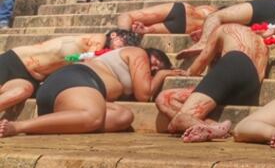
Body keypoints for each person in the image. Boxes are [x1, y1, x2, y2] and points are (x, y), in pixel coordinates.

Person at [0, 46, 174, 138]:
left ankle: (60, 121)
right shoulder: (137, 52)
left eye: (157, 69)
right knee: (93, 117)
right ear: (149, 52)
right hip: (78, 78)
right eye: (155, 61)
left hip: (76, 93)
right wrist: (161, 75)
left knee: (123, 116)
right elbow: (144, 95)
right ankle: (18, 127)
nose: (153, 67)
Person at [155, 24, 268, 141]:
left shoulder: (223, 28)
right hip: (252, 84)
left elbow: (199, 65)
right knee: (164, 98)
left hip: (234, 63)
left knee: (176, 120)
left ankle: (208, 127)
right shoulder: (259, 39)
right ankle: (211, 125)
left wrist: (188, 72)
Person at [0, 30, 142, 112]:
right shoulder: (99, 38)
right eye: (125, 43)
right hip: (16, 61)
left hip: (31, 79)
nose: (124, 49)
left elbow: (75, 60)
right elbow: (88, 59)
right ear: (114, 35)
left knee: (22, 91)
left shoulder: (103, 57)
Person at [177, 0, 275, 58]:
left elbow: (215, 17)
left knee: (214, 16)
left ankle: (203, 43)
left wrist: (205, 38)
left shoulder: (229, 15)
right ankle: (205, 41)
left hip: (273, 7)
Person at [117, 2, 218, 39]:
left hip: (183, 15)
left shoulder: (212, 10)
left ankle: (124, 36)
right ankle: (125, 36)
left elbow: (125, 16)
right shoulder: (216, 14)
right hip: (186, 26)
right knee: (131, 19)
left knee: (129, 17)